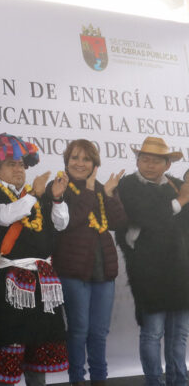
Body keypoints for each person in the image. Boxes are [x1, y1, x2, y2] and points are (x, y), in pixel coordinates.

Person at [0, 134, 70, 386]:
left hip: (42, 282)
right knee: (9, 354)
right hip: (9, 282)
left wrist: (57, 198)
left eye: (21, 164)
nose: (19, 169)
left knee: (37, 351)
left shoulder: (35, 195)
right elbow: (4, 216)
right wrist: (36, 194)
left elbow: (61, 224)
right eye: (11, 164)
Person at [53, 139, 127, 386]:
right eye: (75, 158)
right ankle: (77, 380)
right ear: (67, 161)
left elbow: (116, 222)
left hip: (103, 271)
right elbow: (71, 221)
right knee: (78, 330)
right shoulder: (60, 187)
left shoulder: (100, 188)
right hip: (73, 271)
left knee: (99, 333)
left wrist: (108, 193)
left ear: (94, 163)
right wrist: (89, 188)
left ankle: (99, 380)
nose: (80, 163)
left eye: (86, 159)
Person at [116, 136, 189, 386]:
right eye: (144, 159)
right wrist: (179, 202)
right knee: (153, 332)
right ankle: (154, 382)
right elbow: (145, 217)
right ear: (137, 161)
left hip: (180, 272)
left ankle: (179, 380)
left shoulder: (178, 185)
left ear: (167, 164)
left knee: (179, 334)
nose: (149, 165)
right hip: (148, 272)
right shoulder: (127, 186)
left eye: (156, 161)